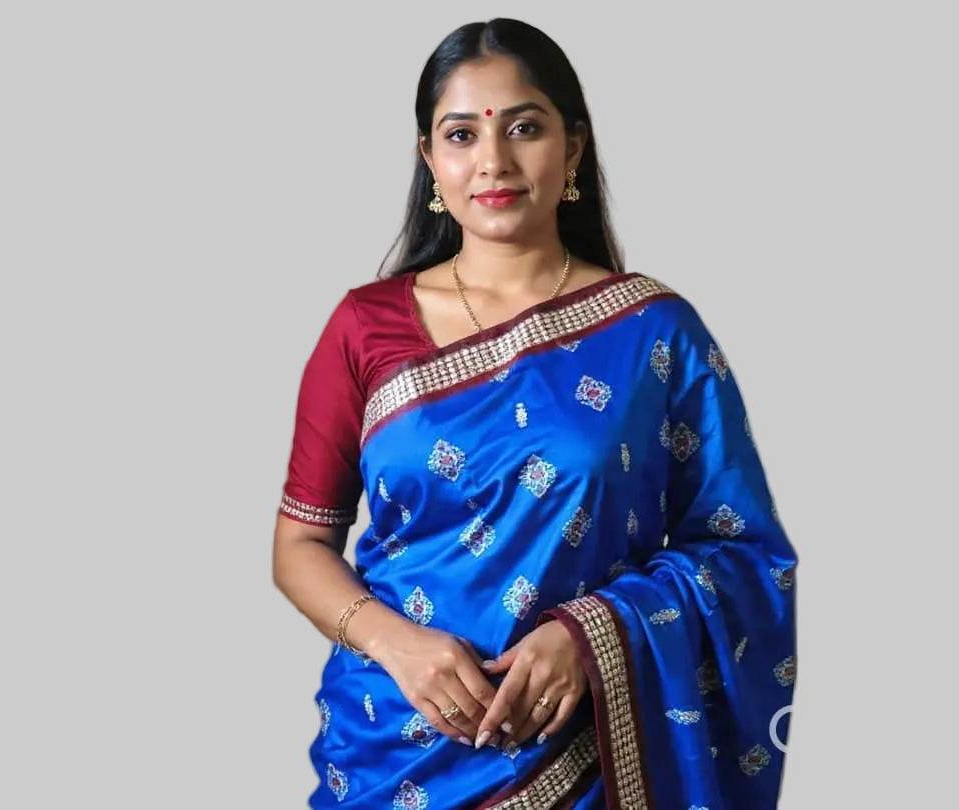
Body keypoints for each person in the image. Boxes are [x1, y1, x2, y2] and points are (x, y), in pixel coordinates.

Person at [271, 17, 798, 810]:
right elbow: (299, 543)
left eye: (525, 128)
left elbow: (742, 553)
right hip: (387, 749)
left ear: (573, 150)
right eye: (461, 135)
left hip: (584, 758)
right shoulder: (362, 326)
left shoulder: (653, 332)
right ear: (430, 161)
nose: (494, 160)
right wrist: (401, 648)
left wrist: (589, 639)